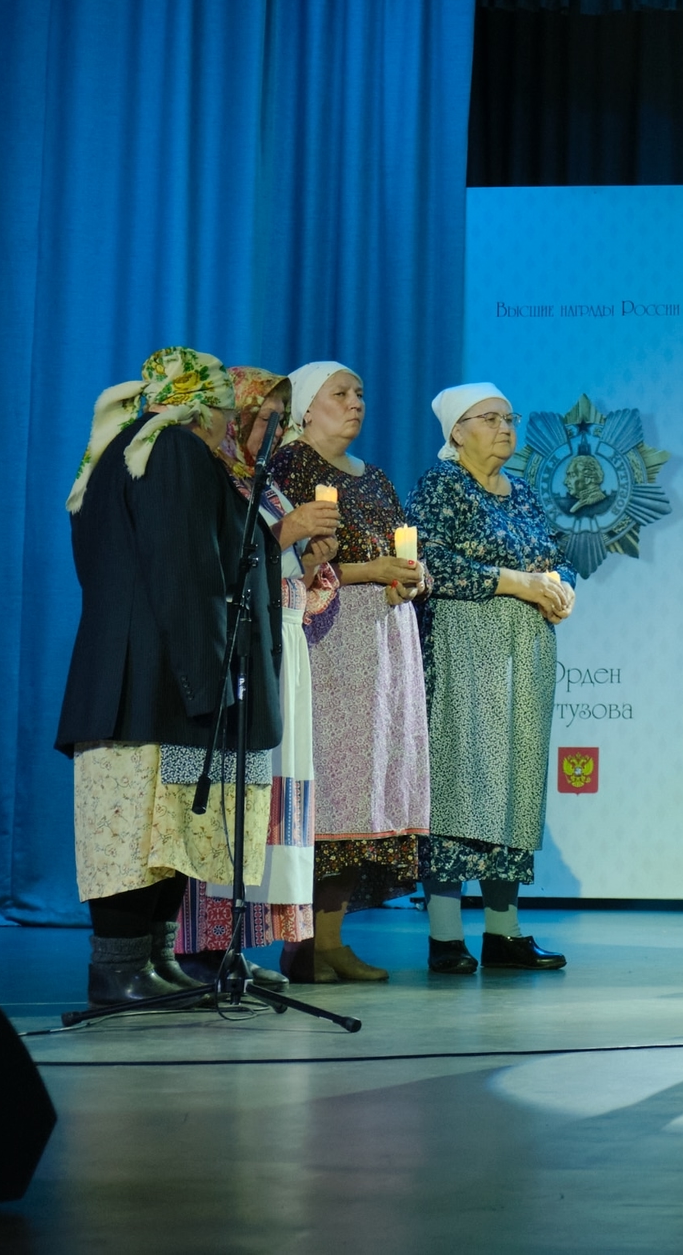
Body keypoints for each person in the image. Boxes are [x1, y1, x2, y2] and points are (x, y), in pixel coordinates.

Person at [57, 348, 316, 1006]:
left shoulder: (125, 450)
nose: (230, 424)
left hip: (149, 675)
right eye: (228, 411)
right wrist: (211, 682)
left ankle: (154, 959)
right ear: (204, 408)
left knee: (166, 830)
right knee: (134, 832)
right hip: (154, 681)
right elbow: (186, 570)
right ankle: (118, 969)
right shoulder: (170, 449)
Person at [172, 367, 340, 977]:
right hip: (235, 652)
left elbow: (283, 575)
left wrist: (311, 561)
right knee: (225, 795)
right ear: (233, 415)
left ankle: (236, 944)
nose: (273, 430)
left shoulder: (258, 484)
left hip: (280, 650)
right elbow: (214, 561)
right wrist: (287, 534)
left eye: (278, 419)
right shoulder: (212, 478)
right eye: (264, 417)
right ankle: (200, 945)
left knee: (261, 803)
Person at [268, 362, 432, 983]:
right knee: (328, 786)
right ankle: (301, 942)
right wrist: (371, 572)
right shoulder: (291, 466)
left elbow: (400, 551)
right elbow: (292, 563)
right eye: (340, 393)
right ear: (307, 408)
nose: (356, 402)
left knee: (363, 790)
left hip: (382, 645)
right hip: (328, 640)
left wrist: (410, 577)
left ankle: (333, 939)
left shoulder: (377, 477)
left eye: (360, 392)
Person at [412, 384, 576, 975]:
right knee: (463, 781)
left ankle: (504, 933)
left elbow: (557, 552)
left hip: (527, 652)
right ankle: (445, 936)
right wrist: (516, 582)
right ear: (457, 431)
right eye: (490, 419)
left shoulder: (522, 490)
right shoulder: (442, 485)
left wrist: (561, 586)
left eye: (510, 418)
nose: (506, 428)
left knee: (517, 781)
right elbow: (429, 562)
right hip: (465, 648)